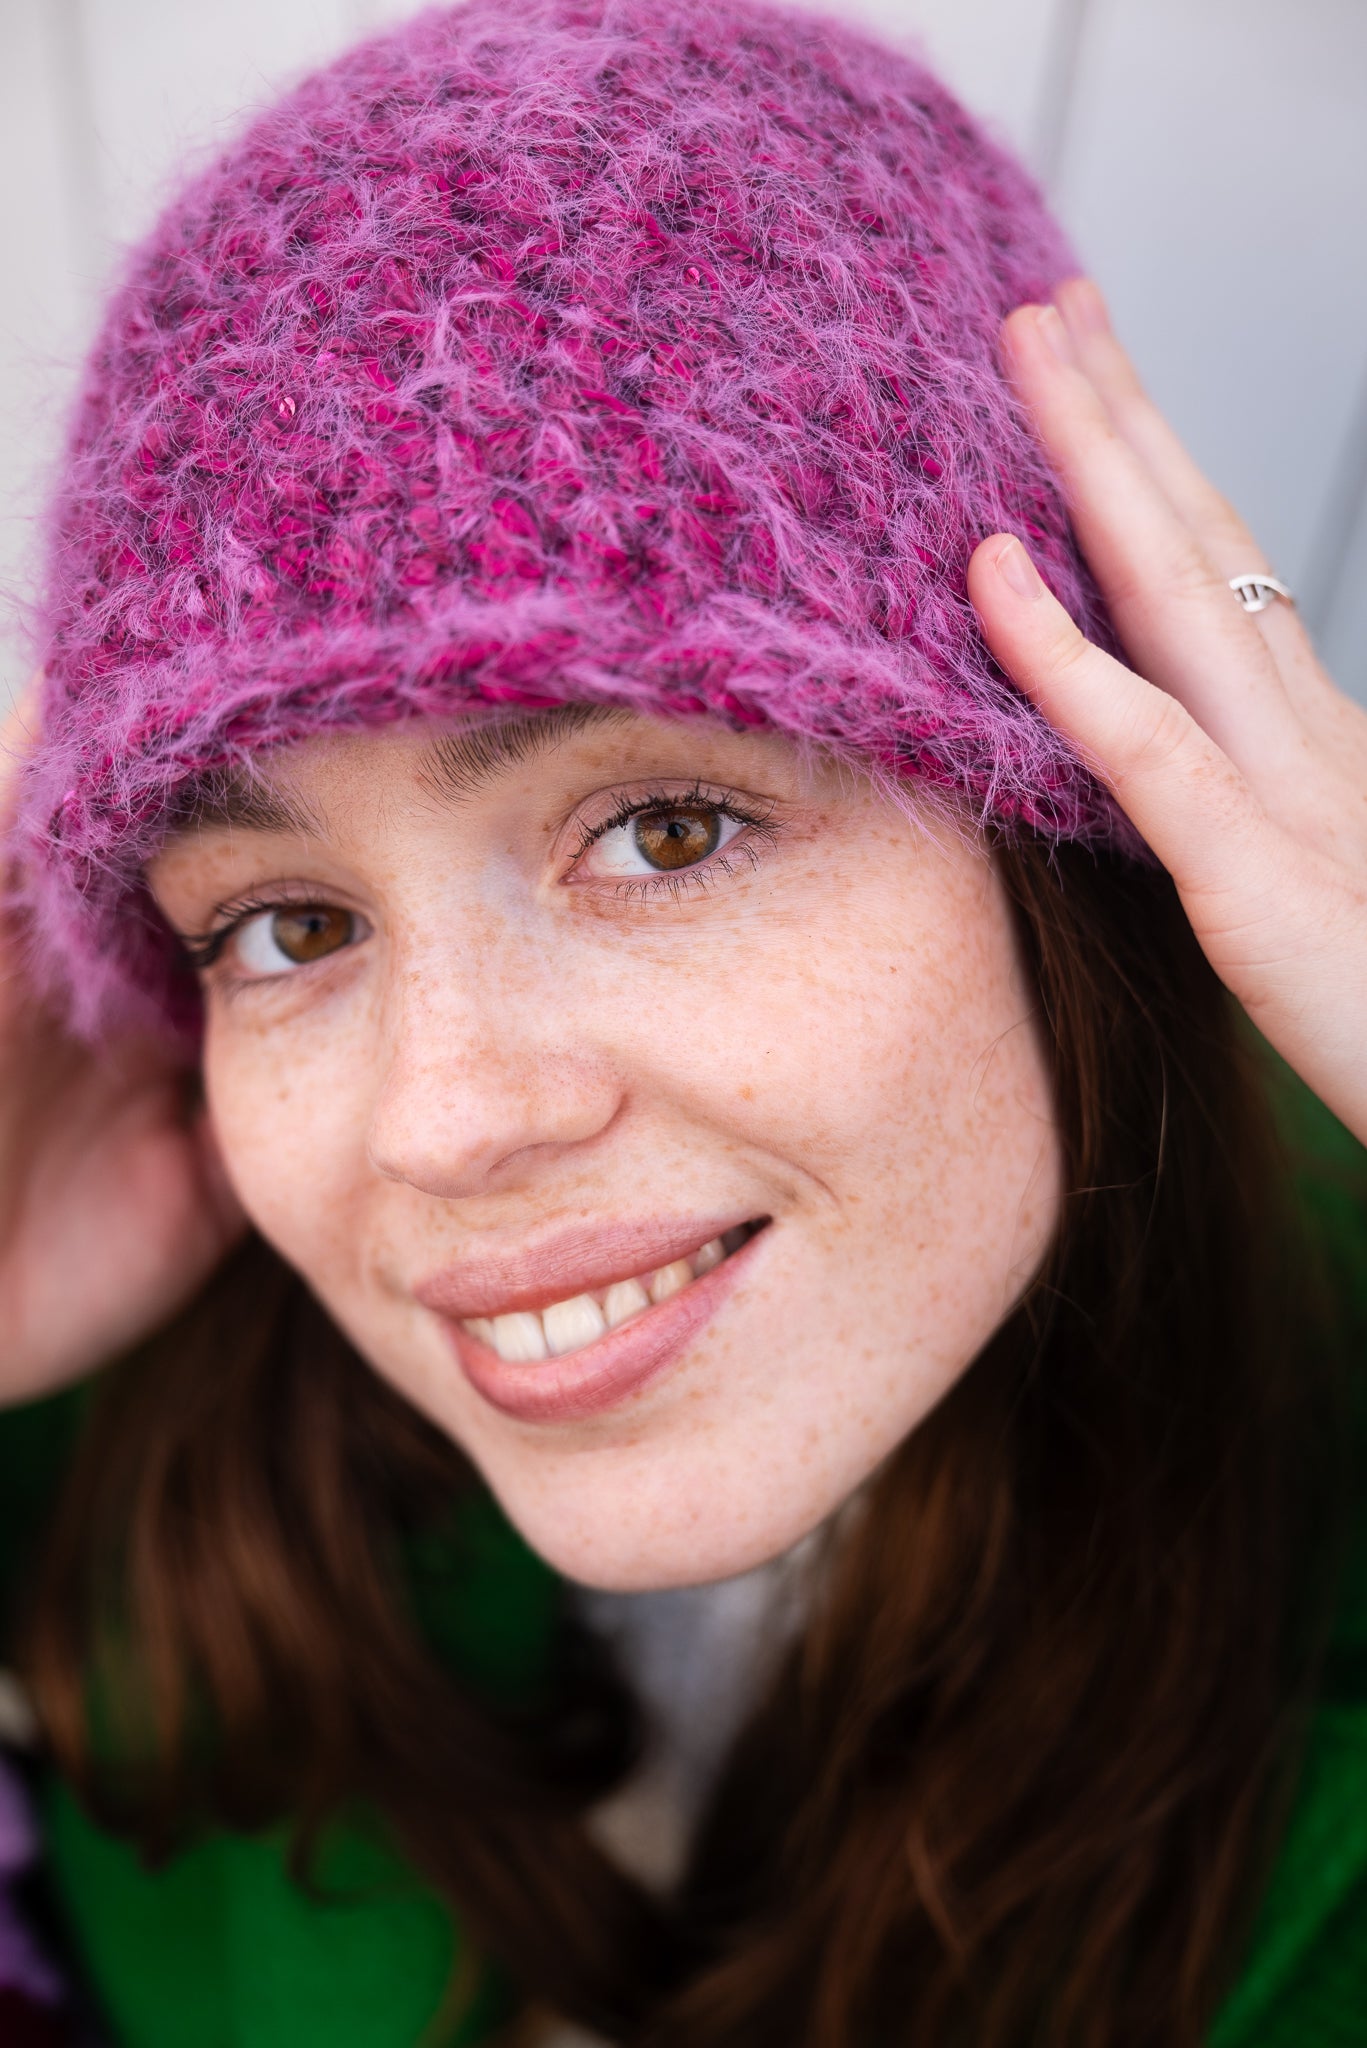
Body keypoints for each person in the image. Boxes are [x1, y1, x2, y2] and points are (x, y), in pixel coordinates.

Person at [2, 0, 1367, 2042]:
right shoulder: (110, 1450)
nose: (444, 1122)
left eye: (660, 826)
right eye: (285, 923)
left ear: (1069, 831)